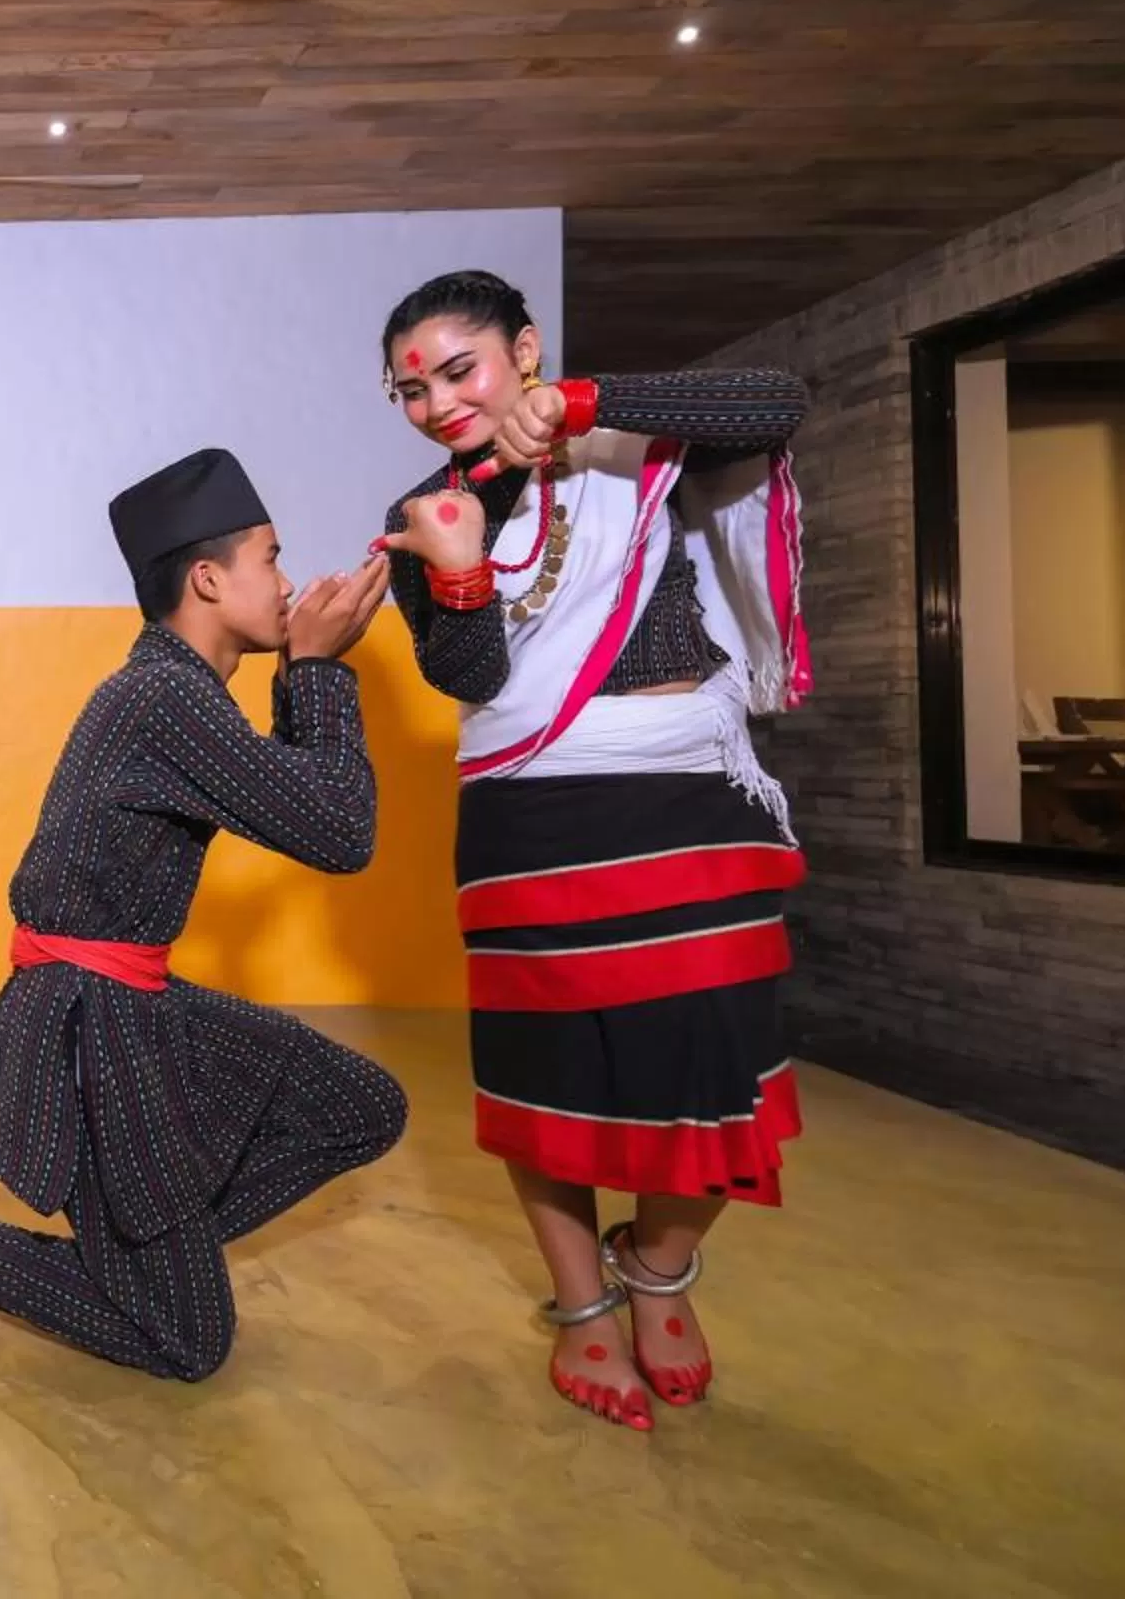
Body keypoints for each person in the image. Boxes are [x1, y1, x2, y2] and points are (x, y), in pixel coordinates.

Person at [0, 448, 411, 1382]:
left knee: (361, 1107)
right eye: (270, 560)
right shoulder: (163, 699)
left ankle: (145, 1253)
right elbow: (340, 831)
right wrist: (318, 669)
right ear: (208, 578)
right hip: (87, 1032)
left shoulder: (182, 694)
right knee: (187, 1342)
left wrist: (308, 678)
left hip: (136, 1005)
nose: (287, 583)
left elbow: (299, 802)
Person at [372, 268, 813, 1432]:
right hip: (533, 810)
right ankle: (584, 1304)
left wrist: (583, 401)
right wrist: (457, 567)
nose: (435, 403)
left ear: (523, 349)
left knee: (719, 1052)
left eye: (456, 370)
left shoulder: (623, 438)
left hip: (686, 788)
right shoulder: (423, 506)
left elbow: (777, 405)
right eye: (408, 390)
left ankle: (658, 1268)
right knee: (550, 1070)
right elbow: (463, 680)